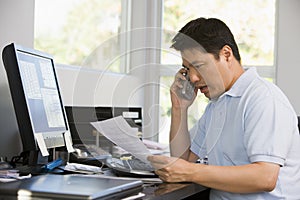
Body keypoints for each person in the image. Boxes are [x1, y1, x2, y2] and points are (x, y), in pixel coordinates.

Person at [147, 17, 300, 199]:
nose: (193, 78)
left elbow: (265, 177)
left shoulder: (263, 98)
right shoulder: (217, 105)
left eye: (198, 66)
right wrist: (179, 108)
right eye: (188, 69)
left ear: (226, 55)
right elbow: (182, 163)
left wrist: (190, 171)